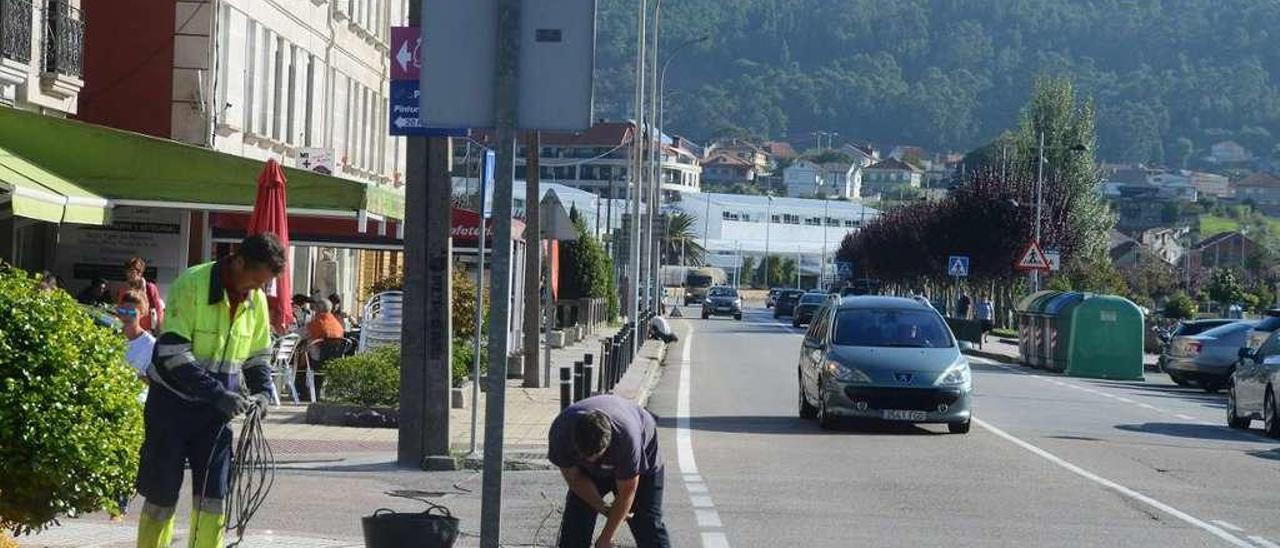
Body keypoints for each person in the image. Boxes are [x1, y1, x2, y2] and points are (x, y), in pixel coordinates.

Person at [134, 233, 284, 548]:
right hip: (170, 409)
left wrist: (261, 392)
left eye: (262, 285)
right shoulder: (194, 283)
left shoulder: (254, 300)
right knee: (162, 493)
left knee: (214, 496)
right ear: (239, 261)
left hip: (214, 414)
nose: (256, 290)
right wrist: (218, 393)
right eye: (254, 281)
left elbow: (258, 355)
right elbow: (173, 353)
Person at [549, 394, 670, 548]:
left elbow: (627, 493)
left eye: (595, 456)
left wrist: (606, 538)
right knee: (577, 517)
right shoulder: (561, 434)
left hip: (641, 458)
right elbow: (574, 478)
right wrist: (601, 506)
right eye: (584, 457)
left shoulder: (627, 439)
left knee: (646, 523)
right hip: (588, 471)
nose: (591, 462)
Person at [120, 257, 165, 331]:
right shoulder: (123, 289)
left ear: (140, 272)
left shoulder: (150, 287)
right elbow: (120, 308)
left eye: (132, 271)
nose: (129, 274)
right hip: (129, 329)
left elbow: (159, 309)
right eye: (127, 271)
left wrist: (158, 327)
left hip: (147, 329)